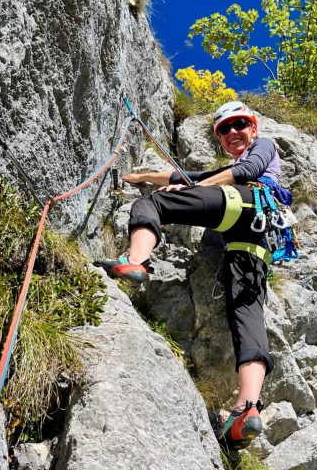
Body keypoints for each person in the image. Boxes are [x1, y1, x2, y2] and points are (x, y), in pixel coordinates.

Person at [95, 100, 282, 449]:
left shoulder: (264, 146)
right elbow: (190, 177)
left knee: (152, 204)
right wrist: (144, 176)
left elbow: (242, 173)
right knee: (246, 316)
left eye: (238, 124)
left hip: (243, 202)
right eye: (223, 130)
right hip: (255, 240)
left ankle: (136, 261)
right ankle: (247, 408)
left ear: (253, 127)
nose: (231, 133)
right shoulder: (234, 163)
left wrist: (183, 190)